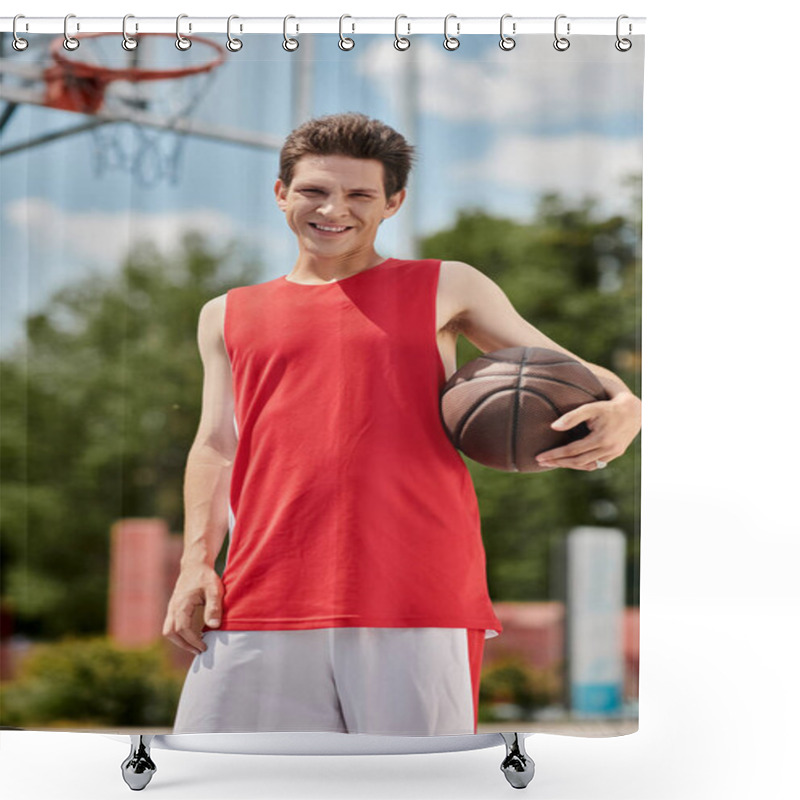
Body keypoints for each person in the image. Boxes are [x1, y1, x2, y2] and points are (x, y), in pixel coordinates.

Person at [163, 112, 641, 736]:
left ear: (393, 202)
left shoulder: (447, 285)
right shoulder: (226, 313)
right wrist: (195, 564)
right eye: (314, 190)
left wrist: (629, 404)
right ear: (281, 193)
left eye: (360, 194)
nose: (334, 208)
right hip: (259, 594)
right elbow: (215, 446)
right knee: (223, 782)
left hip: (416, 594)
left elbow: (570, 373)